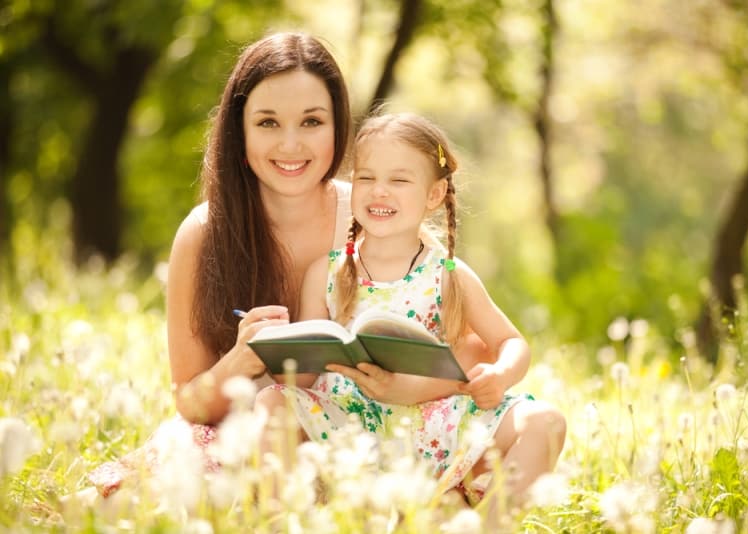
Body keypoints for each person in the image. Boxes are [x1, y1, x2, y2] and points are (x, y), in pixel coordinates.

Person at [86, 30, 354, 496]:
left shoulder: (371, 218)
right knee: (126, 508)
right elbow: (190, 403)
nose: (290, 145)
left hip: (352, 444)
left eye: (311, 122)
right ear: (240, 131)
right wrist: (241, 360)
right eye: (268, 123)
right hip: (236, 438)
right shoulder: (203, 232)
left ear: (338, 126)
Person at [254, 112, 566, 506]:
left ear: (433, 195)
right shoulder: (327, 273)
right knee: (270, 401)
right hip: (347, 423)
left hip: (428, 426)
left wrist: (500, 375)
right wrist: (274, 347)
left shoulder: (449, 275)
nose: (379, 191)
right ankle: (279, 519)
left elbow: (511, 342)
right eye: (366, 177)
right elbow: (303, 375)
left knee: (547, 422)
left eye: (399, 180)